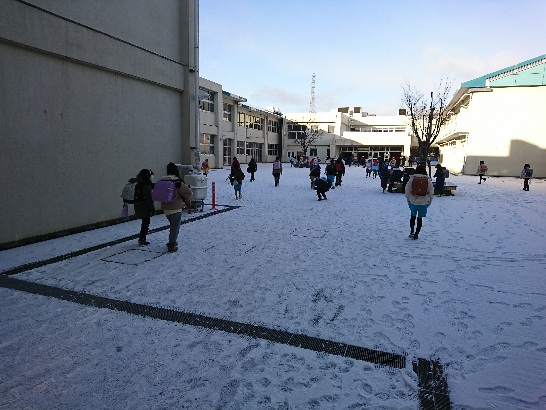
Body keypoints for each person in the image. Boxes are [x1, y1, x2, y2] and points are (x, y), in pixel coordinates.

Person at [159, 162, 193, 253]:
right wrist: (185, 200)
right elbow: (188, 192)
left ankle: (173, 240)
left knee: (172, 225)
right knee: (175, 227)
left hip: (165, 207)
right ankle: (172, 244)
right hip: (176, 207)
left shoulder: (162, 180)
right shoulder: (177, 182)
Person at [405, 164, 433, 240]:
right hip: (424, 202)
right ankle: (417, 233)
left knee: (413, 217)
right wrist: (429, 201)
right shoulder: (428, 180)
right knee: (420, 219)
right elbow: (431, 192)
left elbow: (407, 190)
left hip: (413, 201)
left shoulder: (412, 179)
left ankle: (412, 231)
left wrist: (408, 199)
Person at [132, 169, 155, 246]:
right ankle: (142, 239)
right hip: (145, 206)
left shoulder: (138, 182)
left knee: (144, 223)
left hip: (138, 205)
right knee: (146, 223)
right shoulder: (146, 185)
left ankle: (142, 238)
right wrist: (152, 209)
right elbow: (149, 198)